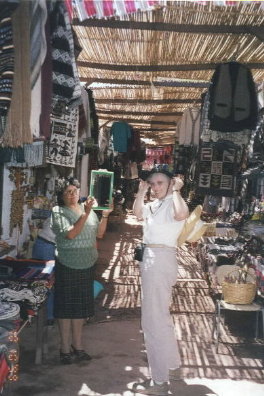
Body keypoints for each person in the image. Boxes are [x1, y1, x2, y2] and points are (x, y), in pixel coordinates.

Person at [132, 167, 189, 395]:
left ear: (170, 183)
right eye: (152, 183)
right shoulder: (153, 206)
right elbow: (137, 214)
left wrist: (176, 191)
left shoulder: (173, 204)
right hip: (150, 258)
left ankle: (159, 381)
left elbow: (182, 214)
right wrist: (140, 192)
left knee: (152, 322)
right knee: (160, 317)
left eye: (160, 183)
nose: (156, 188)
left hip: (161, 258)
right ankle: (173, 367)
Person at [51, 177, 112, 364]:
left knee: (80, 309)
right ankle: (64, 349)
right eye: (67, 192)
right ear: (61, 196)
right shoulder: (58, 211)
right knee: (66, 308)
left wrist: (105, 215)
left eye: (75, 191)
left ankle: (77, 347)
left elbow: (99, 234)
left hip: (87, 264)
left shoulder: (89, 210)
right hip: (68, 263)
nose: (72, 195)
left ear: (79, 192)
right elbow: (70, 234)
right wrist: (85, 213)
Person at [32, 216, 56, 325]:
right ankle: (49, 316)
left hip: (41, 245)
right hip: (47, 249)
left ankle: (37, 313)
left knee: (39, 280)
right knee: (46, 281)